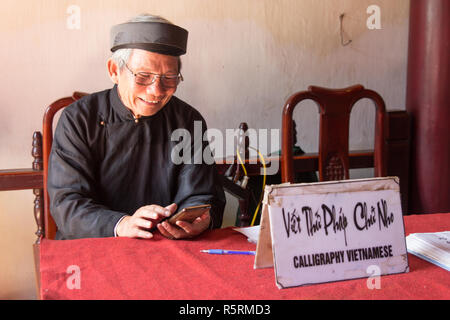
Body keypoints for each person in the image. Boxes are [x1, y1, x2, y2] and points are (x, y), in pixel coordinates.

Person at [48, 14, 226, 240]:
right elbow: (67, 203)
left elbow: (202, 193)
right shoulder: (79, 119)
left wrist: (201, 220)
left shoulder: (188, 121)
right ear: (114, 70)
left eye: (169, 77)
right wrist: (121, 224)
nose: (157, 90)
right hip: (95, 244)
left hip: (167, 245)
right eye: (144, 76)